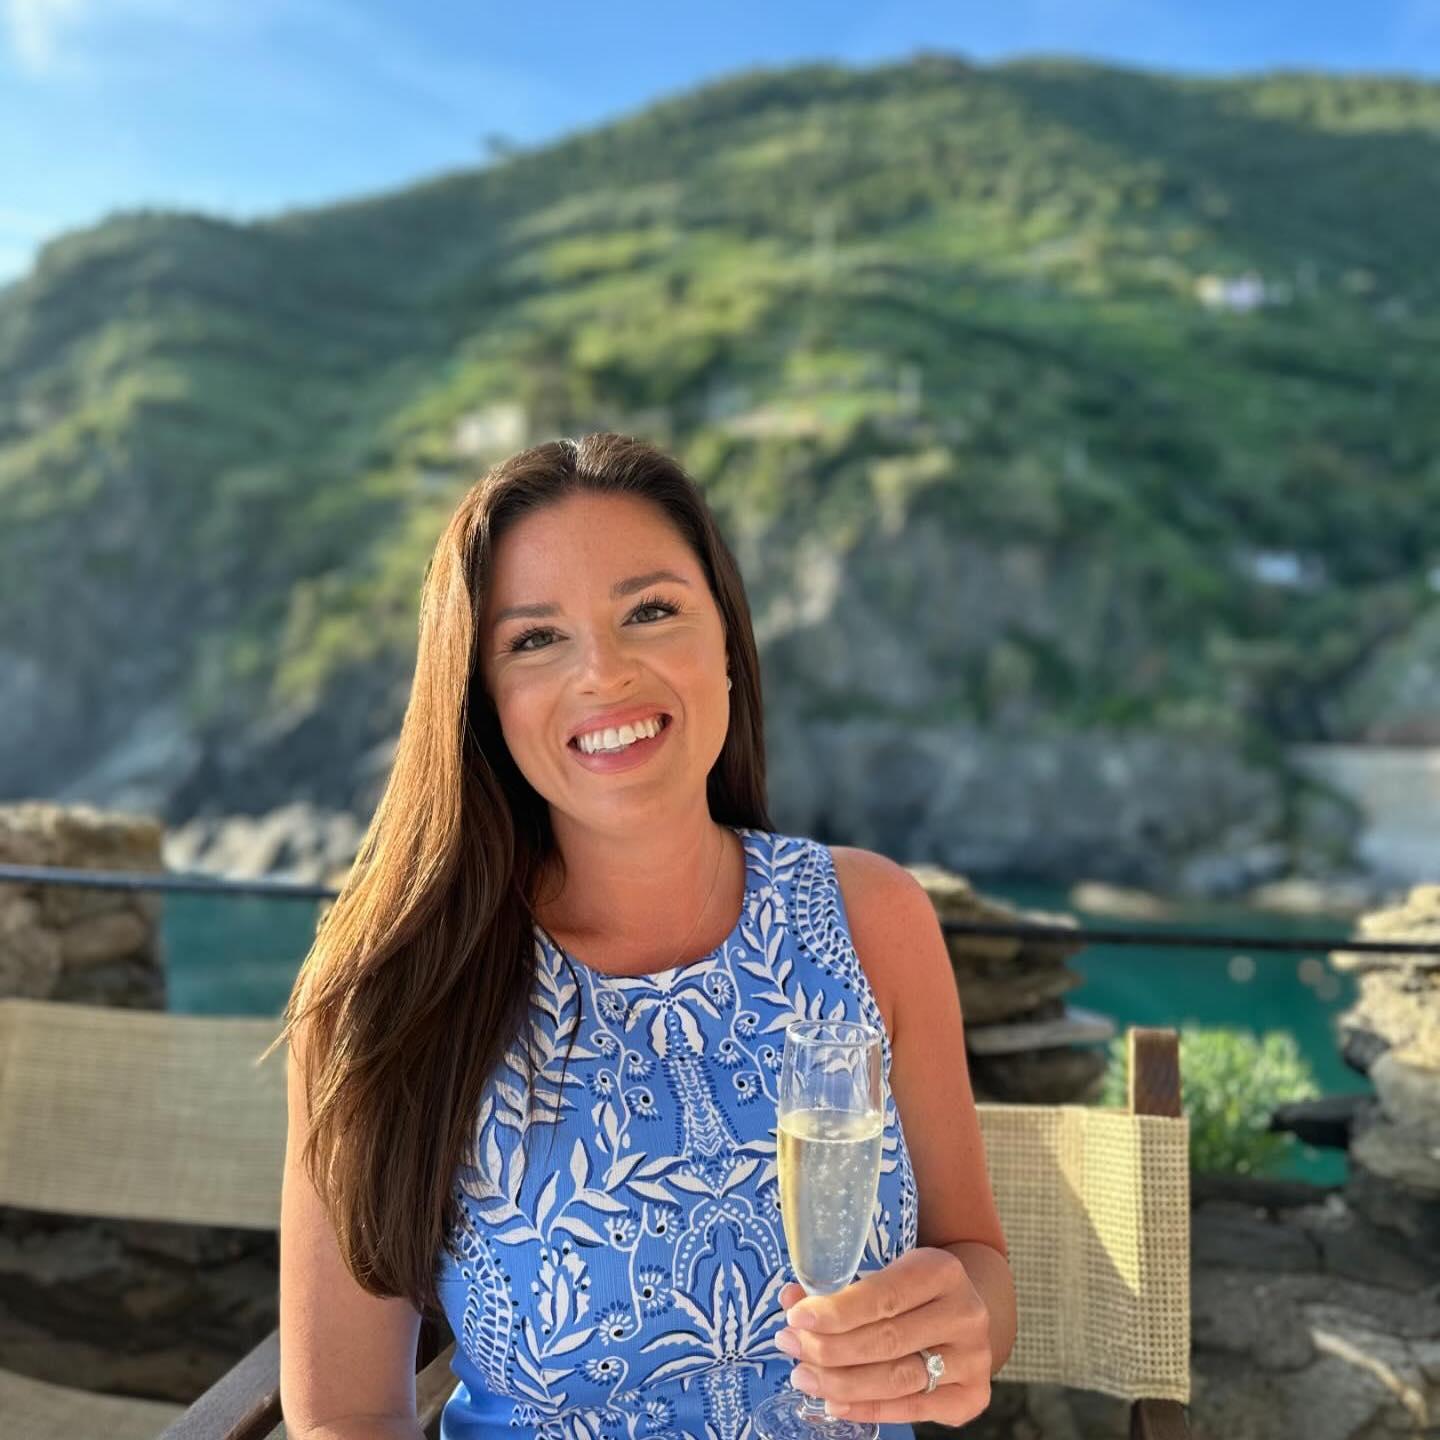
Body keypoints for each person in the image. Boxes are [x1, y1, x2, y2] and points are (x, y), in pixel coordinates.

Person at [273, 433, 1015, 1440]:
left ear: (728, 644)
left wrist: (953, 1336)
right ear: (483, 700)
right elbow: (346, 1416)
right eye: (536, 639)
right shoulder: (388, 994)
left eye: (651, 612)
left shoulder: (871, 920)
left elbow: (975, 1265)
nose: (604, 674)